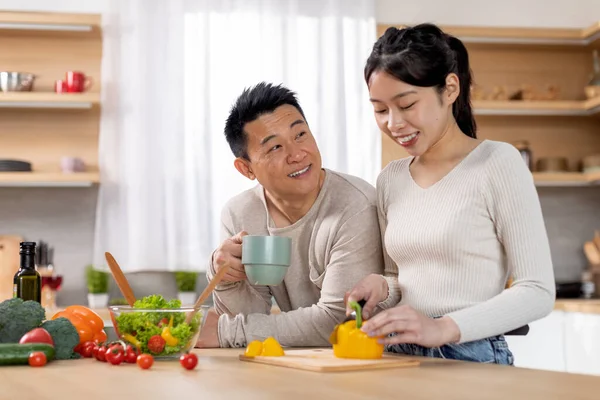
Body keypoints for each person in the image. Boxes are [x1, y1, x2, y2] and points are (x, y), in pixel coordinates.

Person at [344, 23, 556, 364]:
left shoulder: (497, 163)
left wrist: (443, 327)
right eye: (380, 110)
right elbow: (404, 280)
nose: (393, 123)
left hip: (470, 356)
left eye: (407, 104)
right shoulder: (391, 179)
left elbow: (538, 292)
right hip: (397, 355)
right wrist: (383, 287)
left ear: (450, 89)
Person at [195, 82, 385, 348]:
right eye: (275, 147)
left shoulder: (356, 205)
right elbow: (246, 320)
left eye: (300, 135)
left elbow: (337, 322)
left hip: (370, 360)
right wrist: (223, 275)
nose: (297, 154)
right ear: (246, 169)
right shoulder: (239, 213)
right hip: (301, 364)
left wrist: (224, 333)